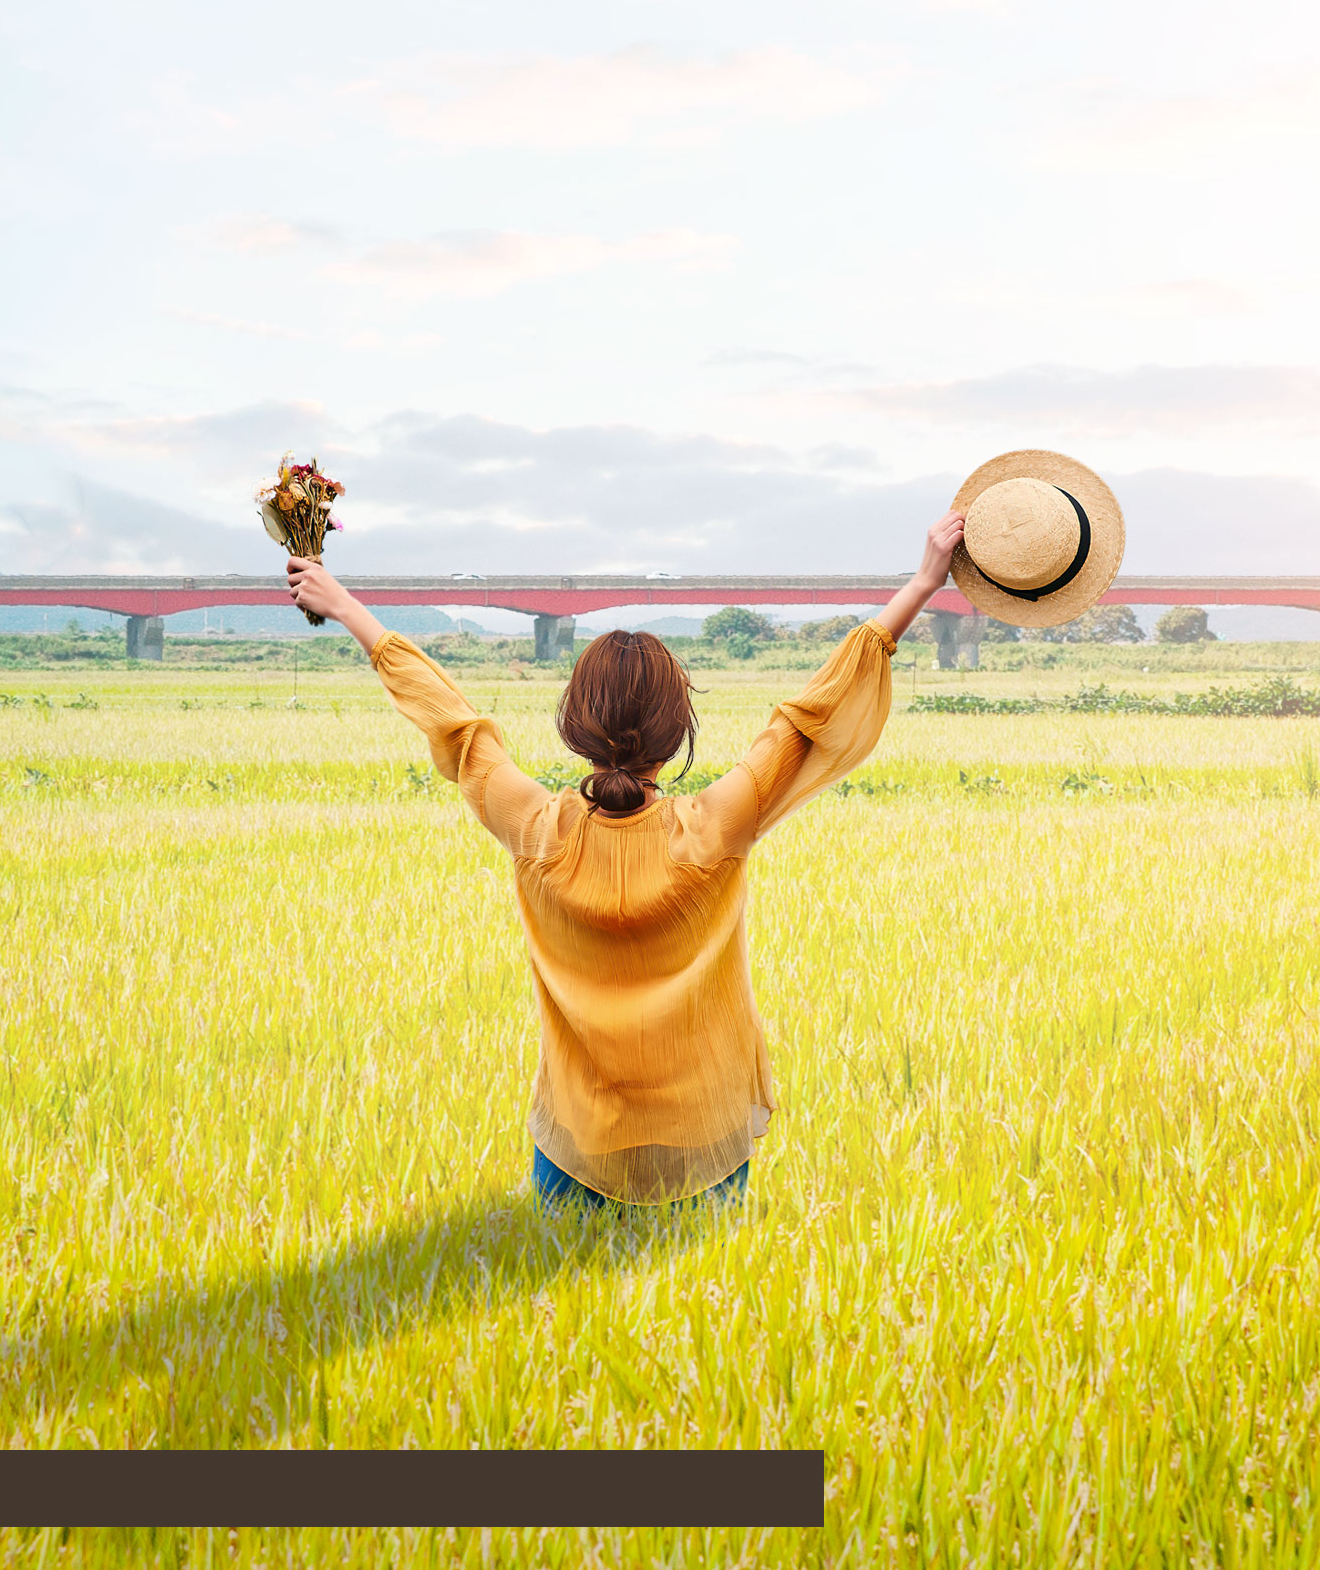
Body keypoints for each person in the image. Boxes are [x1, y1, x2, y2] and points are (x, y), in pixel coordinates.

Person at [281, 511, 970, 1207]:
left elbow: (456, 725)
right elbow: (802, 717)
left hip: (575, 1144)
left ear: (574, 722)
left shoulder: (538, 829)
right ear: (674, 733)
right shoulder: (712, 828)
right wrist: (921, 582)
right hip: (702, 1139)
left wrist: (343, 605)